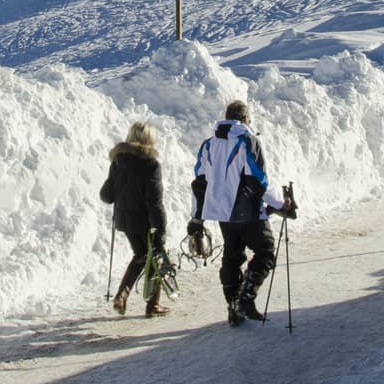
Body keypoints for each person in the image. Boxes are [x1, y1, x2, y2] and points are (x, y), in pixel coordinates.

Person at [187, 100, 298, 327]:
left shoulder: (208, 145)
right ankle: (246, 298)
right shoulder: (247, 140)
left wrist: (197, 216)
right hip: (247, 211)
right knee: (265, 251)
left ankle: (233, 307)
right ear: (246, 119)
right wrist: (281, 203)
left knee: (232, 256)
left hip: (222, 214)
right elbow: (258, 179)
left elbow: (199, 182)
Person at [100, 121, 172, 317]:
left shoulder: (118, 162)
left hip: (125, 221)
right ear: (150, 139)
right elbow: (155, 202)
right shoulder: (151, 165)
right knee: (154, 258)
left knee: (141, 256)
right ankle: (153, 305)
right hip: (146, 221)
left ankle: (121, 296)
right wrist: (161, 228)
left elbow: (106, 195)